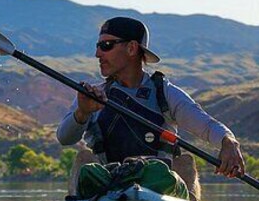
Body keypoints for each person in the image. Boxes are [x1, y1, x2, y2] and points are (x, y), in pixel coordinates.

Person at [56, 16, 246, 184]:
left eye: (106, 46)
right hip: (106, 184)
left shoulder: (166, 93)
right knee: (83, 158)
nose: (98, 54)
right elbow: (65, 138)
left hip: (159, 186)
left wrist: (228, 142)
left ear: (131, 48)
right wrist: (82, 112)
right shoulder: (91, 96)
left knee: (185, 162)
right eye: (98, 46)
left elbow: (206, 126)